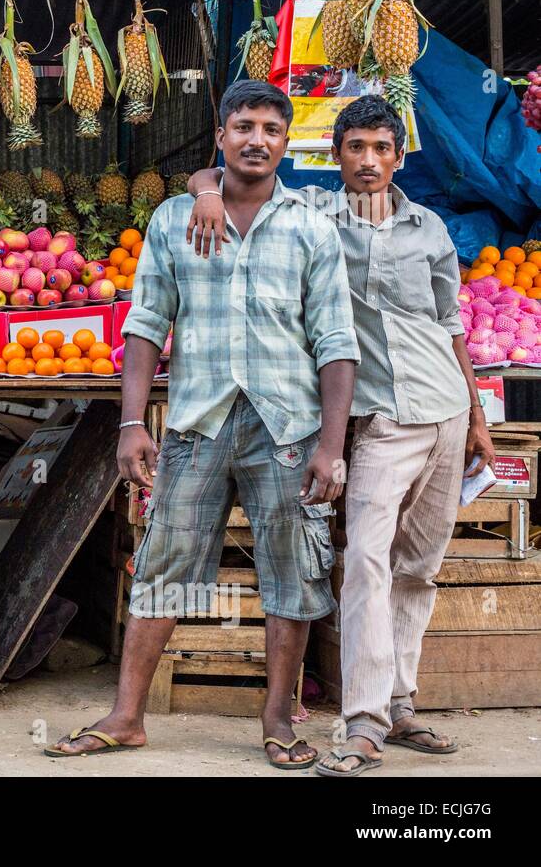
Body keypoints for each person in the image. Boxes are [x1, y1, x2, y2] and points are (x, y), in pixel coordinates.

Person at [44, 80, 359, 768]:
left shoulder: (312, 226)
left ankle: (279, 721)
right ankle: (127, 716)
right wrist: (132, 422)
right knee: (165, 567)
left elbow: (336, 341)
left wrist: (331, 447)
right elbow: (146, 325)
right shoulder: (173, 220)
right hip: (196, 424)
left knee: (293, 574)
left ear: (284, 143)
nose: (257, 140)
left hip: (288, 427)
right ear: (221, 137)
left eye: (271, 130)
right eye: (243, 126)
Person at [185, 94, 495, 776]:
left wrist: (475, 418)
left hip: (442, 410)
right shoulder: (308, 216)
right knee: (365, 563)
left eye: (382, 148)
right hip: (379, 418)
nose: (368, 160)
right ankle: (362, 725)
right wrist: (206, 187)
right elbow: (230, 175)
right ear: (336, 153)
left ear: (399, 156)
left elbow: (451, 327)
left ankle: (401, 701)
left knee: (418, 569)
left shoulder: (430, 230)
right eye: (355, 147)